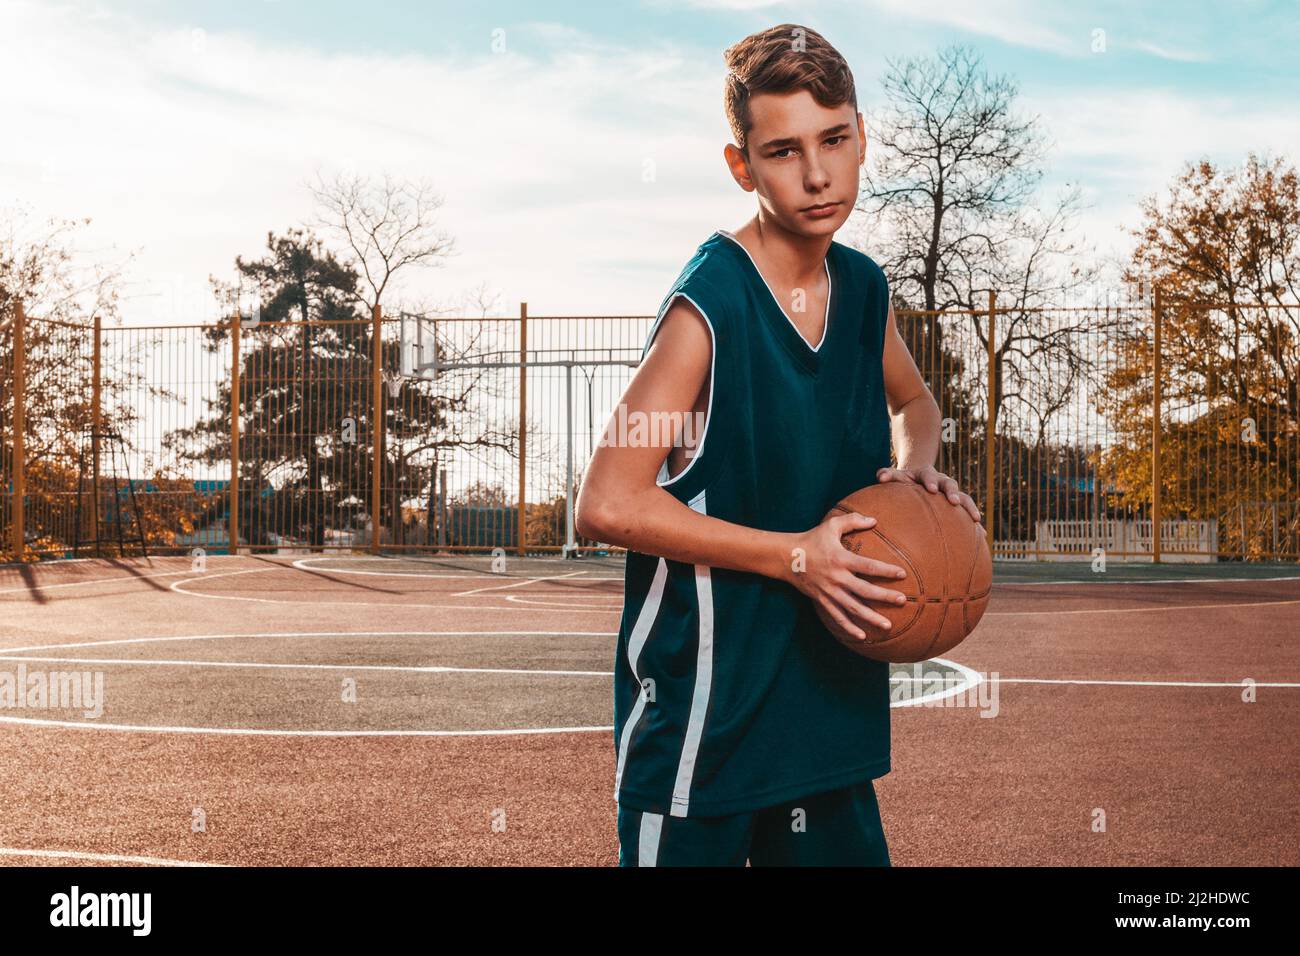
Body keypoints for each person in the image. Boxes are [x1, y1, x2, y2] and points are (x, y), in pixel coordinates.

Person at [576, 23, 981, 867]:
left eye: (834, 139)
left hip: (826, 720)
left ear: (862, 136)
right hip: (704, 731)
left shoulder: (863, 290)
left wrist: (914, 470)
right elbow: (608, 502)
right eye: (784, 150)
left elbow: (914, 399)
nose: (818, 173)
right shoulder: (709, 308)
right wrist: (797, 556)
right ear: (742, 166)